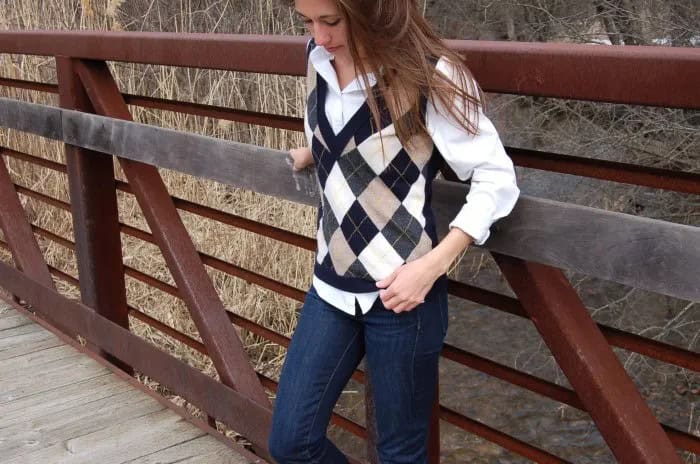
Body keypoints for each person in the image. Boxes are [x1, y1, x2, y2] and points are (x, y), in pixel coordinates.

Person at [269, 0, 520, 462]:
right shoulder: (317, 59)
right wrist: (316, 150)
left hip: (404, 297)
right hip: (331, 286)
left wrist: (433, 265)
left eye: (331, 21)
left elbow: (497, 178)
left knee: (400, 455)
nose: (319, 37)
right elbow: (352, 131)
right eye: (307, 22)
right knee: (291, 443)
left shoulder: (429, 74)